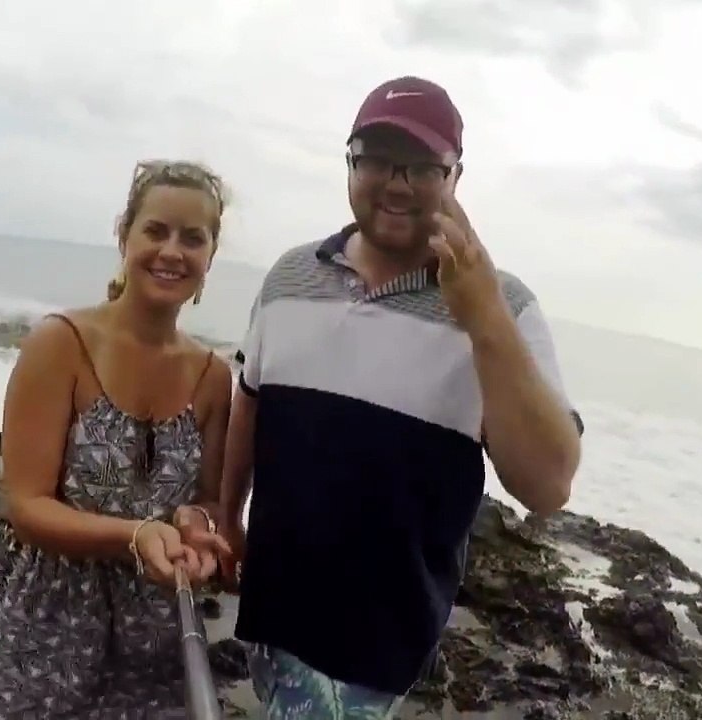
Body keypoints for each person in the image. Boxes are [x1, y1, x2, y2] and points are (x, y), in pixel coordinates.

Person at [218, 76, 585, 718]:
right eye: (378, 159)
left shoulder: (506, 305)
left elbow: (548, 486)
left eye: (421, 166)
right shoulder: (289, 278)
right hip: (270, 612)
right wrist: (227, 516)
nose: (396, 183)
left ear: (455, 177)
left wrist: (483, 316)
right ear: (350, 162)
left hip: (373, 648)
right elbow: (250, 401)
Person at [0, 159, 235, 718]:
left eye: (193, 238)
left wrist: (199, 530)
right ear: (125, 236)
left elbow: (210, 502)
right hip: (46, 631)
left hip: (157, 639)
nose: (172, 251)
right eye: (156, 230)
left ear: (211, 255)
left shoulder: (213, 378)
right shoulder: (59, 345)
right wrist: (135, 536)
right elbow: (27, 506)